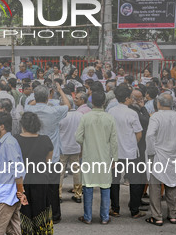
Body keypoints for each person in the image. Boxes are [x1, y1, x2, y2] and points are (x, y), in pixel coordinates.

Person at [24, 83, 70, 223]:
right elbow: (68, 105)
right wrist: (60, 91)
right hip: (52, 156)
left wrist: (38, 97)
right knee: (53, 188)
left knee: (35, 188)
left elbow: (32, 103)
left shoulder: (28, 109)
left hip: (33, 156)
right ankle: (55, 215)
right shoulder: (55, 111)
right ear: (48, 98)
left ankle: (35, 214)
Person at [144, 93, 176, 226]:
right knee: (172, 184)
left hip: (158, 155)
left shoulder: (156, 117)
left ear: (158, 103)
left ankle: (157, 216)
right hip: (174, 155)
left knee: (155, 187)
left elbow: (150, 135)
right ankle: (173, 215)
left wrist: (151, 152)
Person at [75, 91, 117, 225]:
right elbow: (114, 141)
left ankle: (87, 217)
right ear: (104, 102)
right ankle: (104, 217)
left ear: (92, 102)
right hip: (105, 157)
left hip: (89, 157)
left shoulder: (86, 117)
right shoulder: (109, 118)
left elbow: (78, 137)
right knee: (105, 186)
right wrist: (115, 159)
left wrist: (86, 143)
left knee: (88, 185)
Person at [15, 112, 54, 235]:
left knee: (25, 210)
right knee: (41, 207)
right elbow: (47, 162)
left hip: (21, 180)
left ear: (22, 125)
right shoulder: (45, 140)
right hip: (40, 178)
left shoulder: (15, 140)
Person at [107, 85, 146, 219]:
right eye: (130, 97)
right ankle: (134, 210)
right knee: (135, 181)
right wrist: (131, 143)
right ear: (126, 98)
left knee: (114, 180)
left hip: (115, 153)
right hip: (130, 153)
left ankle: (115, 208)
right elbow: (139, 134)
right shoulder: (132, 113)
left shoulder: (111, 112)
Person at [58, 97, 83, 203]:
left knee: (60, 172)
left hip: (62, 148)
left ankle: (58, 195)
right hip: (75, 147)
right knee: (77, 171)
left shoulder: (60, 116)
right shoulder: (80, 115)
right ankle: (78, 194)